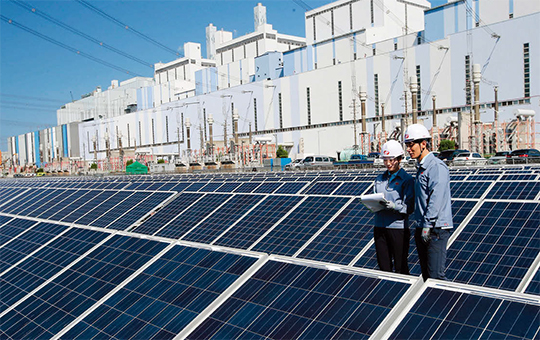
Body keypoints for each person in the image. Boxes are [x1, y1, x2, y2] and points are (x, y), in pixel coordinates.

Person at [404, 124, 453, 281]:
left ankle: (448, 304)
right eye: (407, 146)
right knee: (427, 276)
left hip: (435, 229)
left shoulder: (436, 167)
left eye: (411, 145)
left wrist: (427, 225)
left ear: (423, 144)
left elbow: (435, 199)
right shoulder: (421, 167)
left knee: (436, 277)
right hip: (422, 227)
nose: (408, 149)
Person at [373, 140, 415, 274]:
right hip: (380, 226)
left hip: (398, 228)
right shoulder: (379, 179)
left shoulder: (407, 180)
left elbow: (410, 207)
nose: (388, 164)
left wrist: (395, 206)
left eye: (391, 160)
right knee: (383, 266)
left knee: (400, 266)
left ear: (399, 159)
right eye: (385, 160)